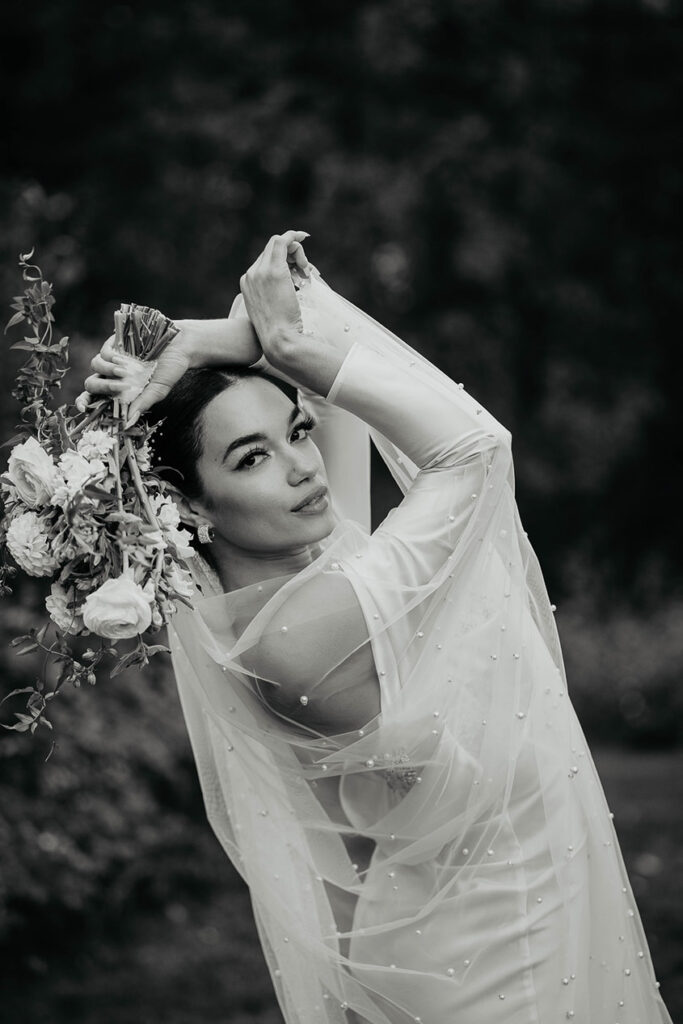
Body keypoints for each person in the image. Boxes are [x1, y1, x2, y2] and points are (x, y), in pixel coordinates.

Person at [85, 231, 673, 1024]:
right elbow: (474, 448)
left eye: (294, 434)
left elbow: (341, 397)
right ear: (187, 505)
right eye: (250, 458)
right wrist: (282, 342)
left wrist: (225, 341)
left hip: (481, 917)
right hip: (502, 953)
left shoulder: (294, 591)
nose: (303, 466)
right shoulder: (305, 635)